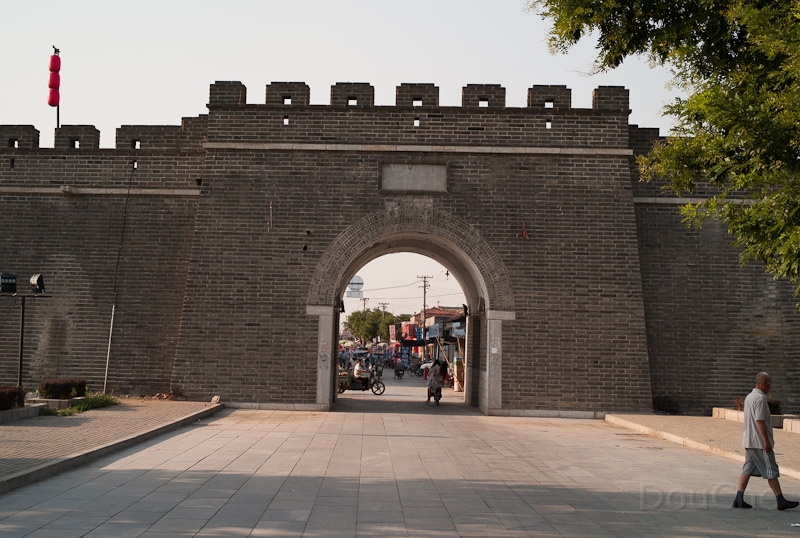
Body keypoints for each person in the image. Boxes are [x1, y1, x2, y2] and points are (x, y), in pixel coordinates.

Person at [733, 372, 799, 510]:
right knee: (771, 470)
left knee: (747, 468)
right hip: (759, 442)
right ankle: (780, 500)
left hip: (749, 440)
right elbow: (760, 421)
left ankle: (739, 497)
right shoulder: (760, 399)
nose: (770, 387)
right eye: (769, 384)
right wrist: (766, 441)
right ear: (763, 384)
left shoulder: (750, 397)